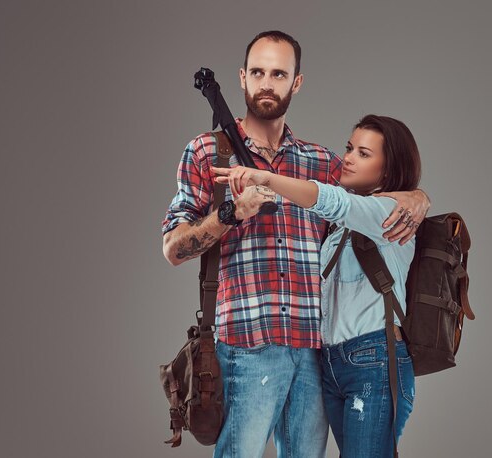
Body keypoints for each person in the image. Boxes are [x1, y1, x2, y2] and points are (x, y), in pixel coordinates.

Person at [162, 30, 429, 458]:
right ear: (243, 78)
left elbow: (371, 194)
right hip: (246, 346)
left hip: (315, 354)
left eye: (279, 73)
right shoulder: (208, 154)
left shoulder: (322, 163)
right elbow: (173, 249)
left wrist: (416, 196)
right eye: (259, 72)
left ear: (296, 82)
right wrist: (232, 213)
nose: (268, 82)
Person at [213, 114, 422, 457]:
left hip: (374, 361)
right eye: (349, 148)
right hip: (334, 363)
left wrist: (267, 177)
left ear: (388, 169)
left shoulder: (389, 212)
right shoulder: (344, 225)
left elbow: (332, 201)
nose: (349, 158)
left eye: (364, 154)